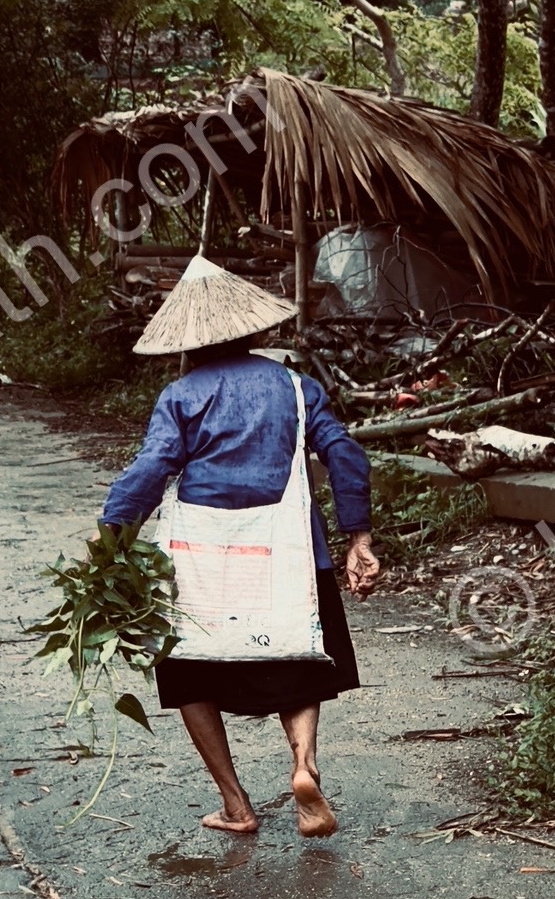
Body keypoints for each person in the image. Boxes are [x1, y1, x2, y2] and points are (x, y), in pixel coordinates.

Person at [98, 257, 379, 839]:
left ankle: (236, 804)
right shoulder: (298, 389)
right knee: (296, 657)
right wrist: (359, 538)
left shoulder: (181, 396)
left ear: (187, 344)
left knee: (189, 672)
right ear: (255, 332)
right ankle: (303, 767)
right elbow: (345, 454)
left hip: (201, 563)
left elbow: (152, 469)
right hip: (291, 554)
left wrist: (113, 538)